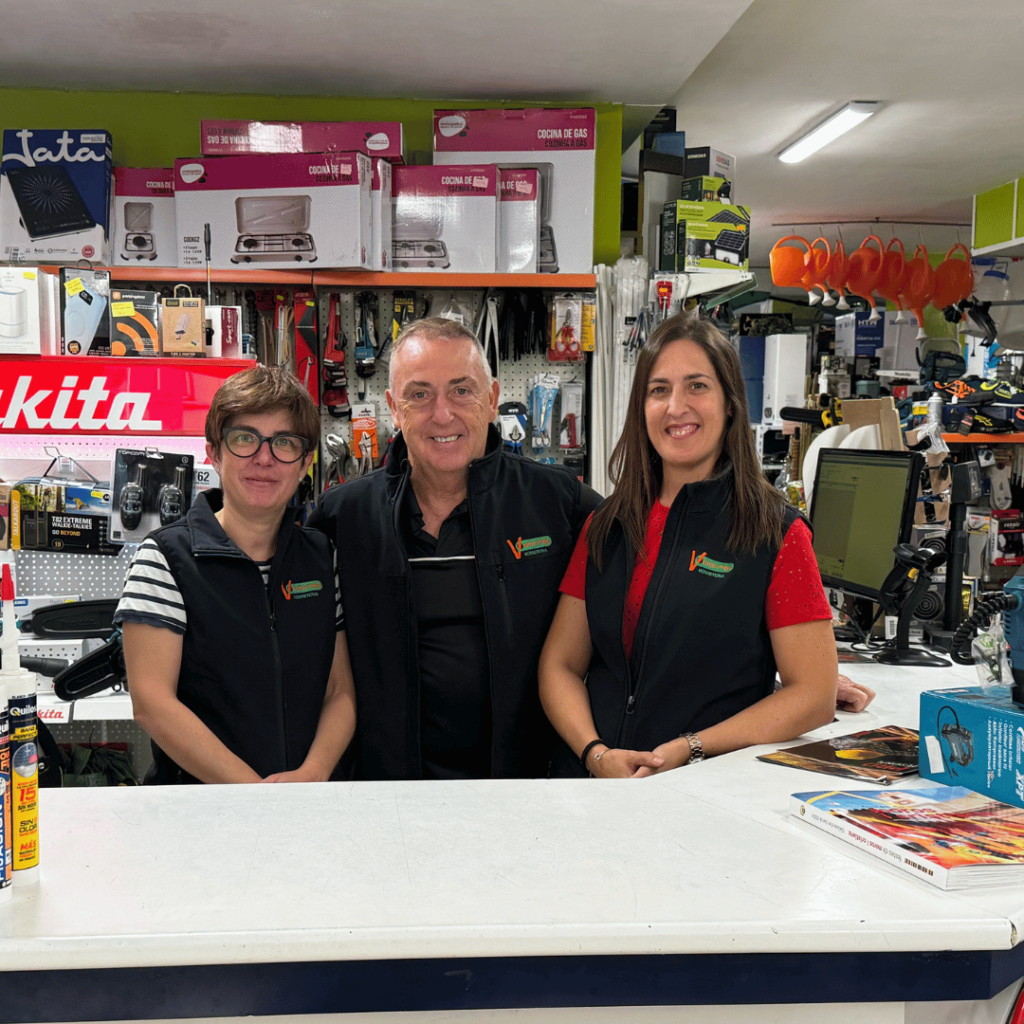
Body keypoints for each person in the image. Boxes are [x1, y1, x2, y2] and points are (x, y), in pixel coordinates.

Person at [539, 313, 837, 778]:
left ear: (731, 403)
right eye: (659, 390)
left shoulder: (775, 533)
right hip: (594, 790)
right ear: (642, 407)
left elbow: (815, 694)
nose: (676, 406)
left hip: (705, 790)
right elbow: (559, 664)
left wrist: (689, 749)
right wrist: (594, 753)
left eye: (696, 386)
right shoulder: (607, 524)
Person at [308, 316, 601, 780]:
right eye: (419, 394)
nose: (442, 414)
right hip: (387, 797)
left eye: (462, 390)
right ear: (393, 408)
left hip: (525, 796)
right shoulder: (341, 518)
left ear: (491, 399)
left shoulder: (561, 506)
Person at [115, 366, 356, 784]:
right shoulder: (165, 559)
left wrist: (314, 774)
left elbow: (341, 692)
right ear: (214, 452)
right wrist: (254, 794)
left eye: (284, 443)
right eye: (244, 438)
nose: (264, 458)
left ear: (305, 464)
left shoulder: (322, 559)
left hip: (307, 804)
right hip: (201, 814)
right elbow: (153, 703)